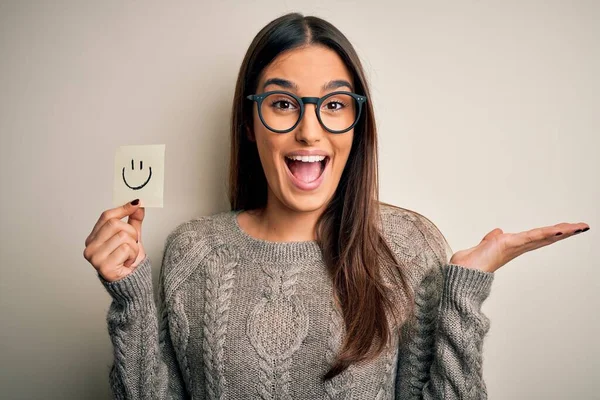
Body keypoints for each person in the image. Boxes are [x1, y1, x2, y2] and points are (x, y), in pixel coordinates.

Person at [83, 12, 590, 400]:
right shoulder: (193, 252)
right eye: (283, 103)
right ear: (249, 122)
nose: (309, 129)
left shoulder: (409, 247)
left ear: (356, 123)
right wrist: (130, 301)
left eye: (333, 104)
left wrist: (464, 293)